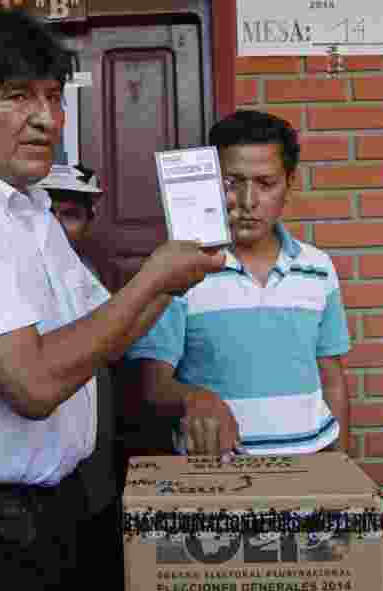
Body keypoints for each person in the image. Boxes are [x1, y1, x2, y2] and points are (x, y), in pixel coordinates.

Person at [0, 6, 224, 591]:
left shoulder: (30, 210)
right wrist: (153, 280)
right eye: (15, 97)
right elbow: (31, 384)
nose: (45, 119)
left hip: (56, 514)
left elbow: (103, 331)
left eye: (54, 97)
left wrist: (174, 277)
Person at [124, 110, 352, 456]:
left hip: (310, 466)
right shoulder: (180, 271)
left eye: (265, 183)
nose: (248, 201)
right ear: (211, 182)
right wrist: (195, 397)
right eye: (232, 182)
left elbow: (332, 379)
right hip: (214, 477)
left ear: (289, 184)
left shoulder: (318, 268)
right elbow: (152, 385)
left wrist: (342, 469)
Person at [36, 163, 125, 591]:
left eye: (69, 214)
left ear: (89, 220)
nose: (57, 227)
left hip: (90, 464)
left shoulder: (94, 275)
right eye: (47, 213)